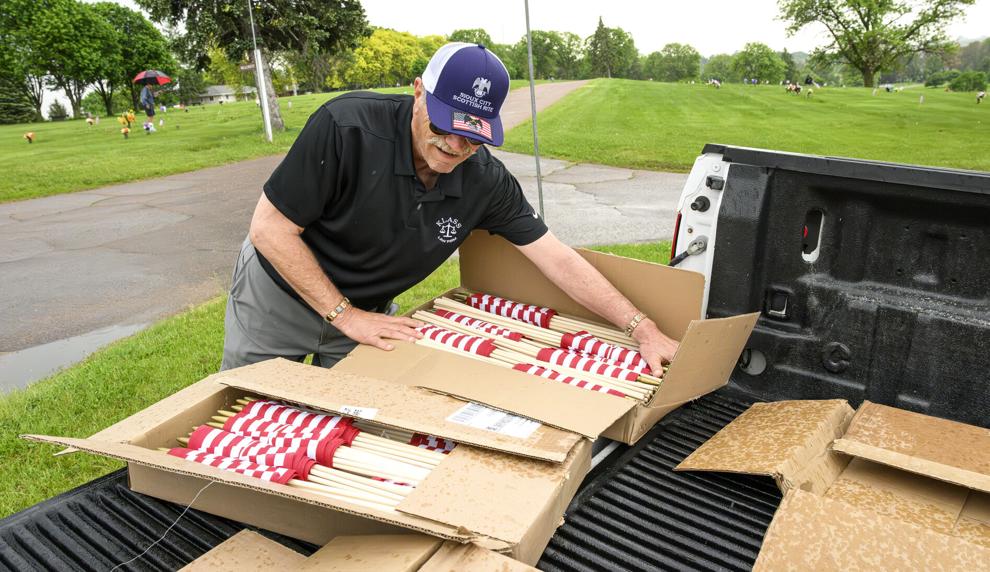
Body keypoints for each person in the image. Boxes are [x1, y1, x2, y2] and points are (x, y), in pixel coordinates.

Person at [221, 43, 680, 374]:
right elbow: (270, 230)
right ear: (418, 91)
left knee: (354, 422)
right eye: (446, 123)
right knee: (245, 417)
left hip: (369, 311)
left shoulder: (485, 179)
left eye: (474, 133)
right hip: (277, 299)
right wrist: (345, 315)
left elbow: (556, 258)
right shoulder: (346, 127)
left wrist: (641, 327)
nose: (455, 145)